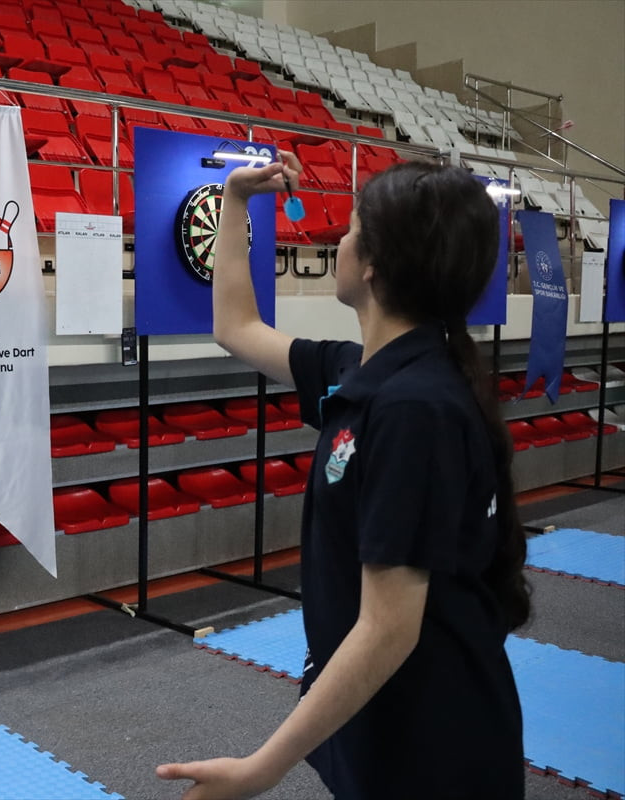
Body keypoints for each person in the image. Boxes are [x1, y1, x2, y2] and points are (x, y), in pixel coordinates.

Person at [156, 154, 530, 799]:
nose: (339, 239)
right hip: (383, 714)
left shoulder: (415, 409)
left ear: (376, 262)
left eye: (352, 228)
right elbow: (236, 327)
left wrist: (260, 768)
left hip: (431, 738)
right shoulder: (366, 372)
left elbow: (390, 626)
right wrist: (236, 202)